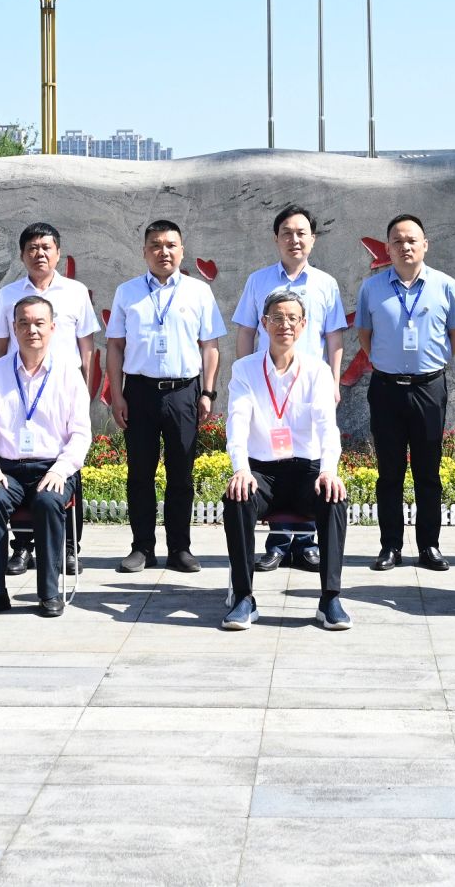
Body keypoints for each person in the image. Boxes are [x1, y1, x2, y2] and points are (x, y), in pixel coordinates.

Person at [220, 288, 351, 631]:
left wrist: (329, 471)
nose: (285, 325)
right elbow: (237, 422)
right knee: (237, 496)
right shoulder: (245, 369)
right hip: (262, 472)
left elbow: (327, 426)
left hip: (307, 471)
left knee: (334, 497)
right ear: (264, 323)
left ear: (303, 324)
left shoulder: (318, 370)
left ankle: (330, 599)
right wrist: (241, 469)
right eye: (277, 318)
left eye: (292, 318)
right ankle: (244, 598)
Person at [0, 295, 93, 618]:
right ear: (14, 328)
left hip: (52, 468)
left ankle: (49, 593)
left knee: (48, 502)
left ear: (53, 328)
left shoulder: (68, 373)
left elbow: (81, 433)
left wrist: (61, 470)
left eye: (39, 323)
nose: (31, 330)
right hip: (7, 470)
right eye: (24, 323)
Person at [231, 204, 347, 573]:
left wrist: (334, 381)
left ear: (313, 239)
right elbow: (246, 331)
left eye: (301, 233)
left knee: (307, 460)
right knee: (272, 460)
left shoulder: (326, 283)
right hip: (267, 386)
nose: (294, 239)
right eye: (286, 233)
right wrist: (248, 374)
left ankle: (308, 543)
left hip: (310, 387)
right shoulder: (258, 281)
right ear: (276, 239)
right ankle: (279, 544)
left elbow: (334, 336)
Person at [106, 219, 227, 573]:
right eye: (156, 245)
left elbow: (210, 346)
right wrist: (117, 396)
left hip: (184, 392)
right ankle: (142, 547)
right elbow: (115, 347)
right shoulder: (127, 292)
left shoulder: (198, 292)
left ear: (182, 250)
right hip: (139, 391)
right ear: (144, 251)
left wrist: (207, 392)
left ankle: (180, 548)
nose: (164, 252)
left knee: (181, 475)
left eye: (171, 245)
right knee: (139, 474)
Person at [0, 223, 102, 577]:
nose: (40, 254)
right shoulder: (7, 296)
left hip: (62, 393)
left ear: (58, 253)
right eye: (32, 248)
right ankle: (22, 548)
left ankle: (68, 548)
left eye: (46, 247)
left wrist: (86, 391)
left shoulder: (76, 292)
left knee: (66, 470)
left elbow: (87, 348)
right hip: (18, 391)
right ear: (22, 255)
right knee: (17, 466)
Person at [354, 213, 455, 571]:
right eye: (397, 241)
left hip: (429, 388)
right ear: (388, 248)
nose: (405, 246)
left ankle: (429, 545)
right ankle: (390, 546)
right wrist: (385, 362)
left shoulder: (446, 285)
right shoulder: (372, 288)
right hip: (386, 388)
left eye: (412, 240)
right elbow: (364, 334)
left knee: (427, 472)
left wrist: (433, 362)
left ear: (425, 245)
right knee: (389, 473)